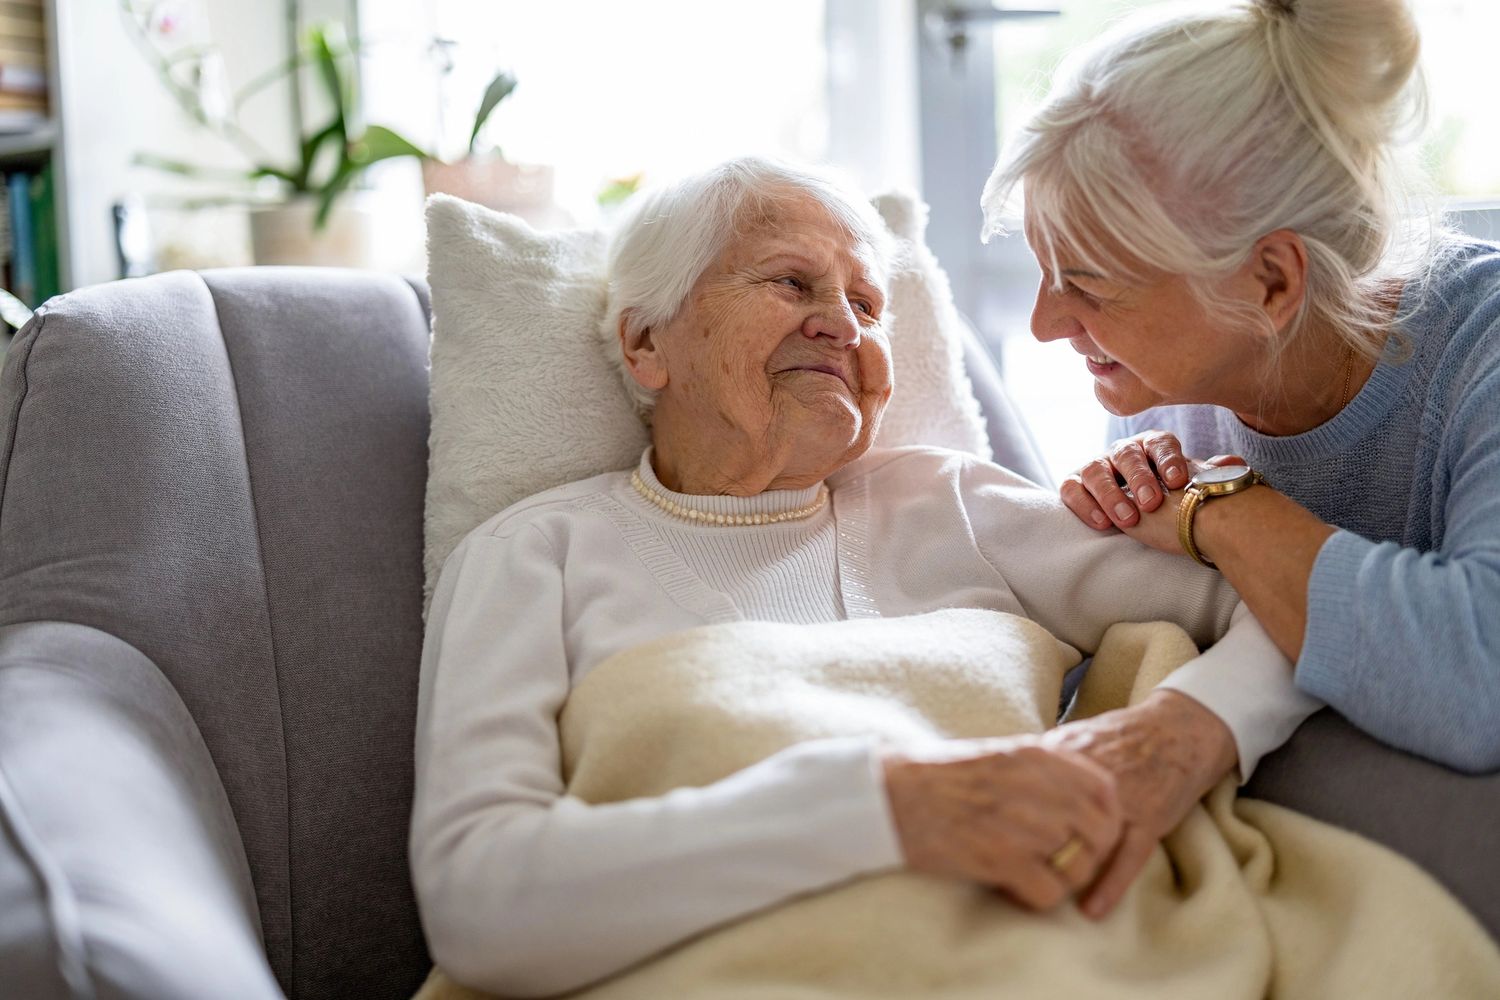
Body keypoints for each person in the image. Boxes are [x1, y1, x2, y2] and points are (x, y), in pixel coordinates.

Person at [411, 157, 1315, 998]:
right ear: (647, 344)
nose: (844, 325)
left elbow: (1289, 610)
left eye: (869, 304)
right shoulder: (532, 554)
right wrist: (881, 810)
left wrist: (1189, 731)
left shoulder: (949, 501)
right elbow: (477, 901)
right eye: (790, 283)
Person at [980, 0, 1500, 774]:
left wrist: (1218, 509)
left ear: (1269, 282)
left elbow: (1478, 683)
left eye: (1087, 284)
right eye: (1045, 271)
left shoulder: (1479, 350)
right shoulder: (1161, 387)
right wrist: (1128, 526)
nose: (1045, 324)